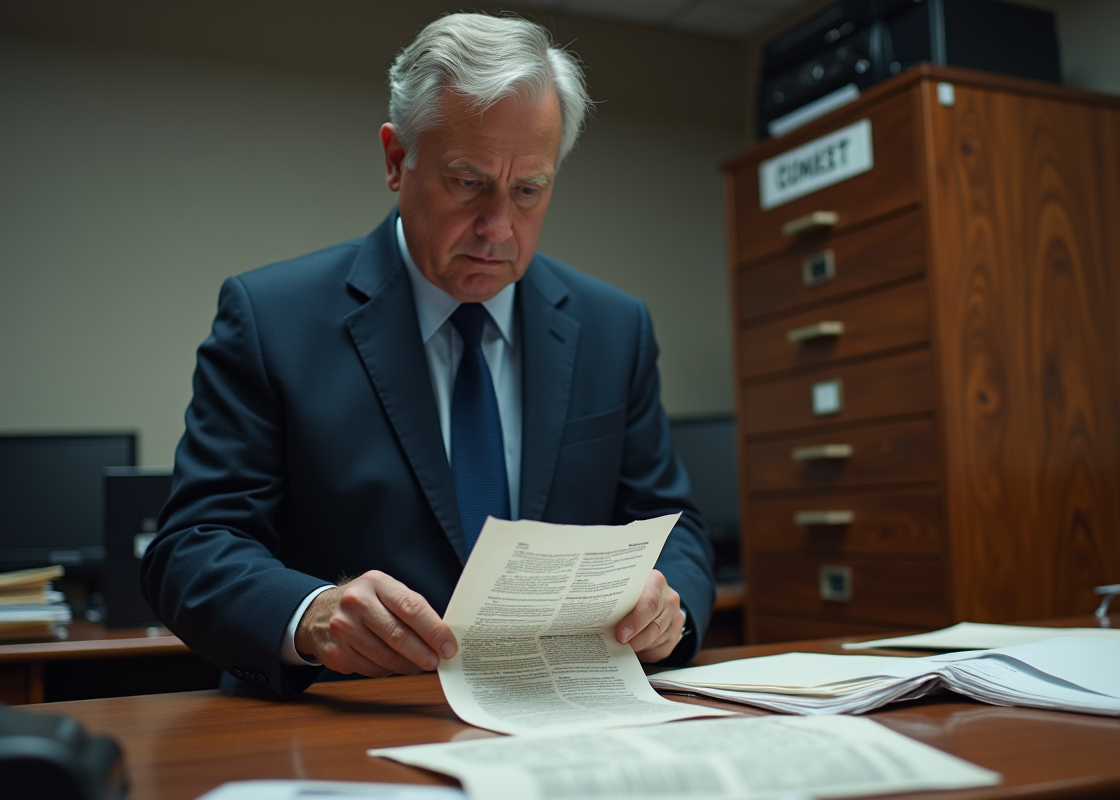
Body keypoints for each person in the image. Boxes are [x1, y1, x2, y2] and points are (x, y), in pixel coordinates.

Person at [141, 12, 715, 700]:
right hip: (343, 722)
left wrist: (666, 609)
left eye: (528, 189)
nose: (499, 229)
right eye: (468, 182)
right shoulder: (270, 319)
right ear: (395, 160)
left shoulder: (614, 327)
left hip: (562, 715)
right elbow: (194, 547)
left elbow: (674, 526)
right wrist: (311, 615)